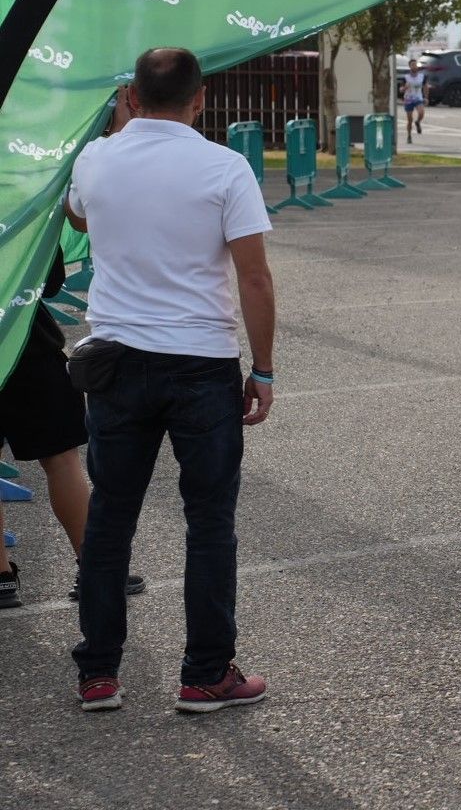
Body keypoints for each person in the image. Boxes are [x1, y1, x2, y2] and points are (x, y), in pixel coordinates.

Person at [63, 48, 275, 714]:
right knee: (209, 523)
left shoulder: (96, 159)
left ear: (131, 95)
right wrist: (262, 368)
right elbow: (255, 277)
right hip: (200, 363)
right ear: (201, 98)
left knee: (109, 520)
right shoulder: (224, 167)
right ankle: (205, 674)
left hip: (117, 360)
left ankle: (98, 672)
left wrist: (119, 139)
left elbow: (76, 216)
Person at [0, 246, 147, 608]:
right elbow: (50, 284)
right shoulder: (22, 200)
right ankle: (95, 568)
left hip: (24, 350)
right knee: (62, 461)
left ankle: (1, 579)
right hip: (26, 347)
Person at [402, 58, 426, 143]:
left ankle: (418, 122)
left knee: (421, 112)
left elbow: (425, 86)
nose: (414, 66)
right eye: (413, 65)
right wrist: (405, 87)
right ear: (410, 66)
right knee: (409, 119)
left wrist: (426, 97)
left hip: (418, 98)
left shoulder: (422, 76)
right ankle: (409, 136)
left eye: (415, 65)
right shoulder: (406, 77)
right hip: (408, 99)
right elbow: (401, 90)